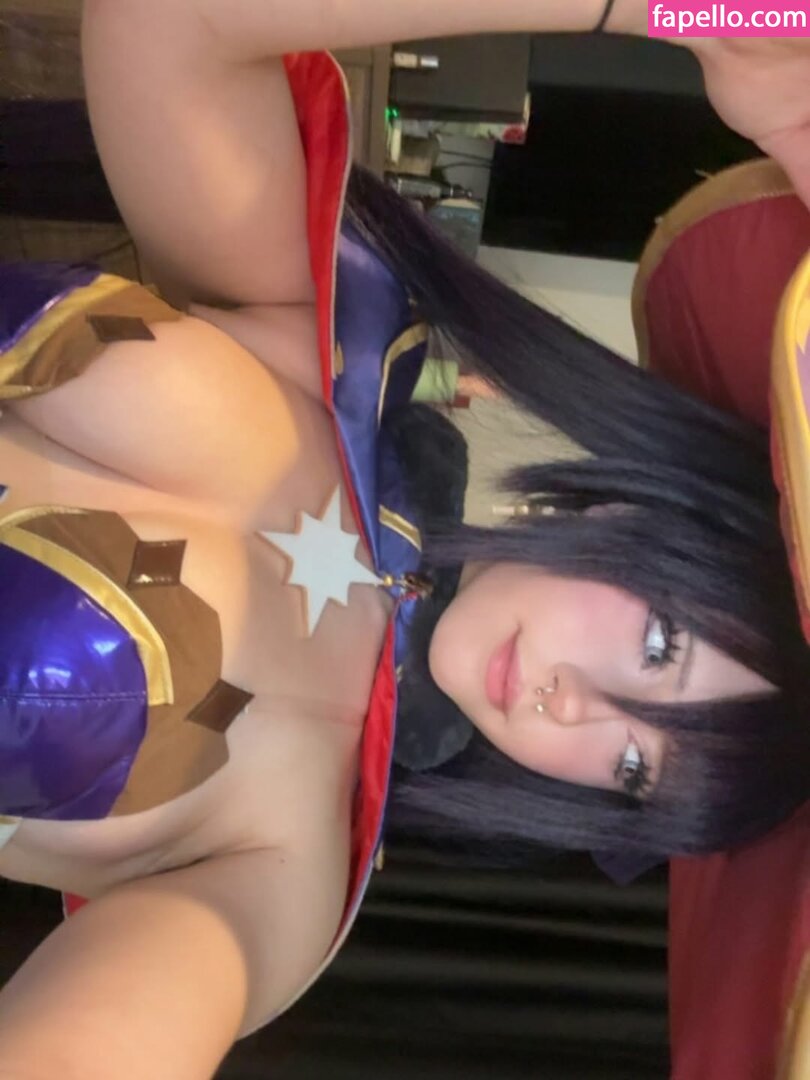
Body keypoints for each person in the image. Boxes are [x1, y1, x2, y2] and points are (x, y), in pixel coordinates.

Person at [0, 1, 808, 1074]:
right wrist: (668, 9)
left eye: (631, 767)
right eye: (659, 647)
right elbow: (168, 23)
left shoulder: (280, 866)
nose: (571, 705)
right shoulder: (331, 351)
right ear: (631, 517)